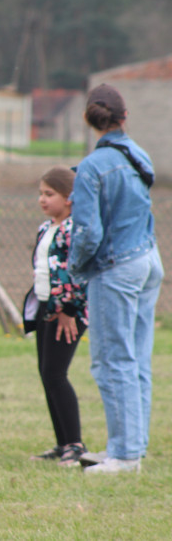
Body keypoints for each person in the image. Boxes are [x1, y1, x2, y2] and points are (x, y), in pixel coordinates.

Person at [68, 83, 163, 475]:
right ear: (125, 117)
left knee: (112, 362)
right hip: (147, 260)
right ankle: (130, 449)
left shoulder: (93, 166)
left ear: (89, 120)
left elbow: (88, 232)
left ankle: (123, 455)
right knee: (137, 359)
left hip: (115, 268)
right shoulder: (138, 154)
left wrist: (74, 268)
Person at [25, 167, 88, 466]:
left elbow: (77, 272)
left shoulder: (75, 229)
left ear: (70, 198)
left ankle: (75, 445)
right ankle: (62, 443)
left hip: (66, 312)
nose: (42, 199)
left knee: (55, 373)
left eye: (49, 194)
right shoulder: (46, 227)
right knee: (46, 373)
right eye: (41, 193)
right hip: (44, 306)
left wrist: (69, 311)